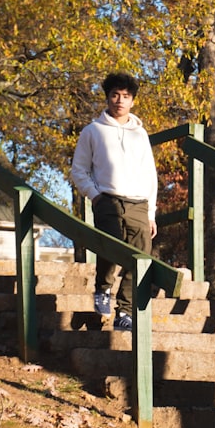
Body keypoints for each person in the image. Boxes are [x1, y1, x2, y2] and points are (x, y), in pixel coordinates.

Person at [70, 73, 158, 332]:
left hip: (139, 203)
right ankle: (103, 288)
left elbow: (149, 175)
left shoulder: (140, 135)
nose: (120, 101)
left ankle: (125, 311)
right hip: (107, 199)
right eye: (115, 95)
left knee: (140, 255)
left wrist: (151, 211)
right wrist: (94, 195)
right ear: (108, 98)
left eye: (126, 96)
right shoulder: (92, 131)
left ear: (133, 101)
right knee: (111, 244)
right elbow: (79, 170)